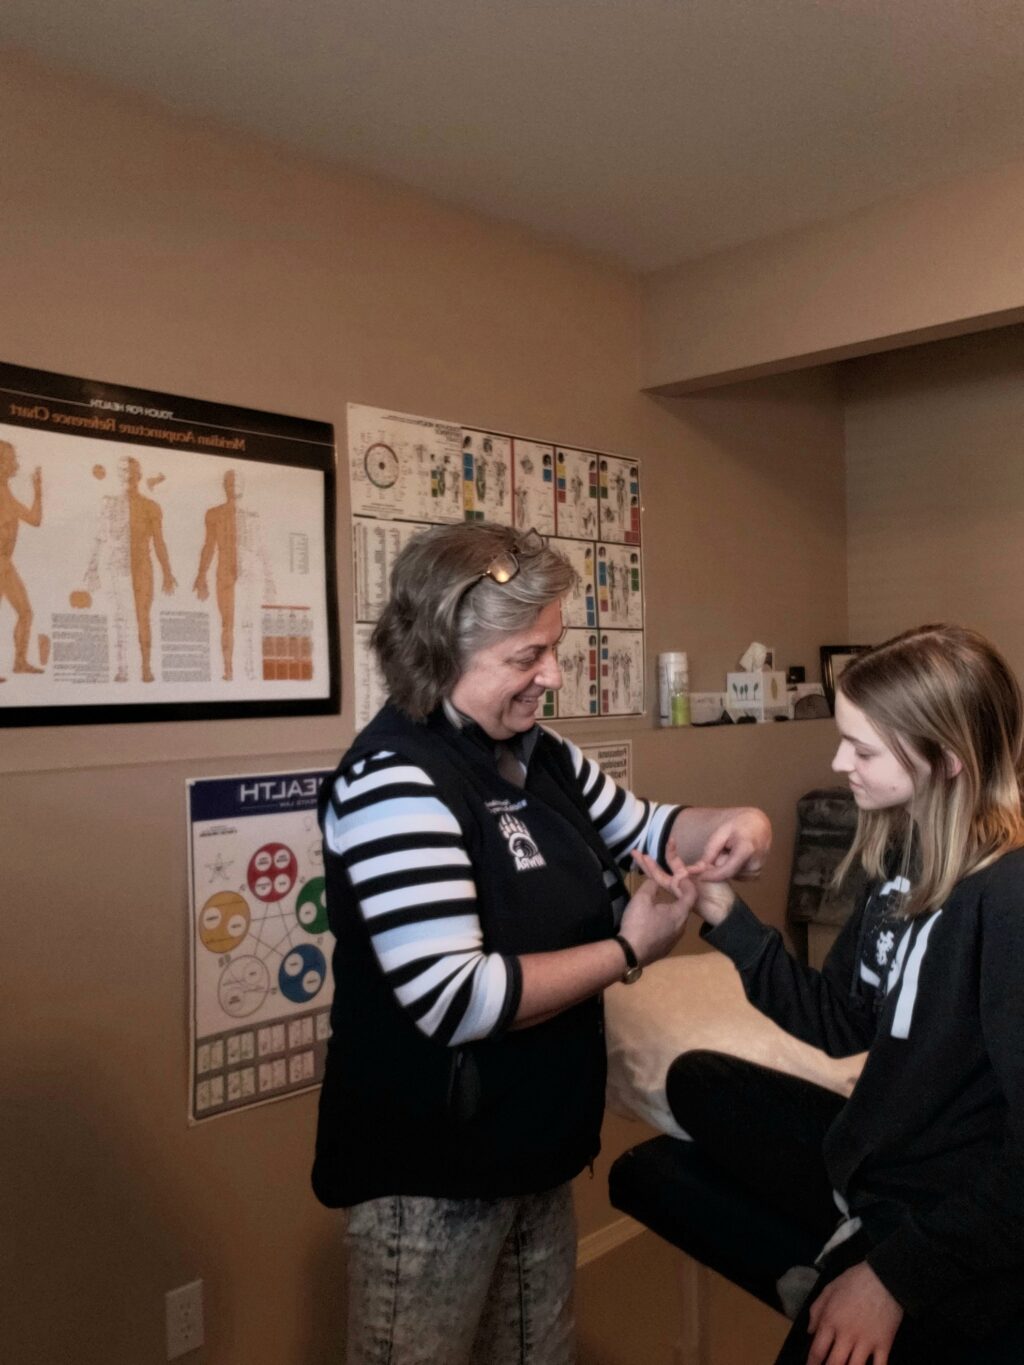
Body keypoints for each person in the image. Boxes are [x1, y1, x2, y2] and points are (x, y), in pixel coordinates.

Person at [312, 521, 772, 1365]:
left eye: (553, 649)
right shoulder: (395, 781)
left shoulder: (539, 754)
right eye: (527, 657)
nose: (552, 677)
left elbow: (653, 826)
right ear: (440, 651)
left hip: (535, 1148)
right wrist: (630, 947)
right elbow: (460, 999)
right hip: (431, 1173)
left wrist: (741, 822)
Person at [665, 624, 1024, 1365]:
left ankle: (854, 1251)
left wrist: (894, 1275)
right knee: (696, 1081)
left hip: (948, 1194)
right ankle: (846, 1228)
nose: (838, 762)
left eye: (862, 749)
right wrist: (727, 916)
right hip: (890, 1152)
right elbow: (837, 1020)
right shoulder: (901, 856)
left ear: (946, 758)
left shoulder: (1008, 897)